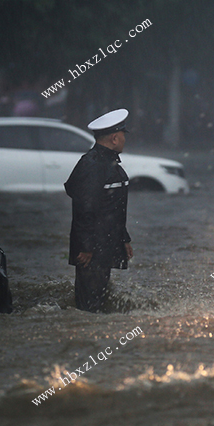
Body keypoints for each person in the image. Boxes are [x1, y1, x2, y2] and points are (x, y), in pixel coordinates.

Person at [64, 108, 133, 312]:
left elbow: (113, 208)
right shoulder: (92, 164)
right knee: (89, 307)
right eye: (122, 135)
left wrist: (124, 238)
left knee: (98, 301)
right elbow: (84, 207)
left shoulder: (108, 163)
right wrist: (85, 246)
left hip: (103, 245)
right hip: (92, 249)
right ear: (113, 138)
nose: (124, 140)